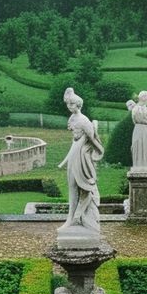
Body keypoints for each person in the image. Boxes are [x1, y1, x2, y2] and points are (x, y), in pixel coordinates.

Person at [58, 87, 104, 233]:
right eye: (68, 104)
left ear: (78, 105)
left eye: (72, 104)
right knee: (71, 186)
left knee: (84, 187)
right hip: (73, 154)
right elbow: (75, 139)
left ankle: (83, 217)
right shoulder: (71, 119)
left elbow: (94, 140)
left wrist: (99, 153)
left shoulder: (84, 121)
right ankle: (70, 219)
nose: (69, 107)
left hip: (82, 158)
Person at [126, 90, 147, 169]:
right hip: (139, 130)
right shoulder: (135, 109)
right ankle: (138, 165)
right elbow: (137, 119)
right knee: (137, 147)